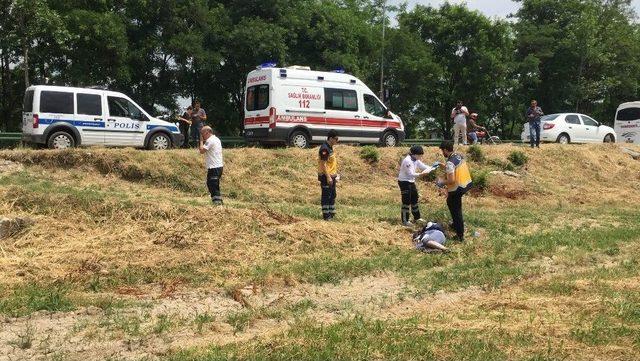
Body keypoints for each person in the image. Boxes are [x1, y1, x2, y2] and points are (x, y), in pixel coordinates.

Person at [437, 141, 472, 242]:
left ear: (445, 150)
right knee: (451, 203)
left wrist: (441, 182)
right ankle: (455, 224)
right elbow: (453, 168)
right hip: (465, 184)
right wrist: (441, 165)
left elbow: (451, 180)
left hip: (457, 188)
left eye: (442, 151)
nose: (442, 153)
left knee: (456, 211)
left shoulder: (450, 162)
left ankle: (459, 235)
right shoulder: (458, 156)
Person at [398, 145, 435, 228]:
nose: (420, 157)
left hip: (411, 181)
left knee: (414, 198)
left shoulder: (416, 160)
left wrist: (432, 168)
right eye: (419, 155)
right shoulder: (408, 161)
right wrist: (421, 174)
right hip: (404, 182)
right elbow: (410, 174)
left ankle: (417, 218)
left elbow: (423, 166)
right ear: (414, 154)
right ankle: (405, 220)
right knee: (406, 201)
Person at [199, 126, 224, 205]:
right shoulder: (216, 139)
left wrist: (201, 141)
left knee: (213, 185)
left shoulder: (210, 140)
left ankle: (217, 204)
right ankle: (217, 201)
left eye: (202, 133)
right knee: (211, 184)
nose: (202, 135)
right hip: (217, 166)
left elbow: (202, 151)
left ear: (207, 132)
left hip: (214, 167)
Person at [318, 130, 339, 220]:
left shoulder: (330, 147)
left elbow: (331, 163)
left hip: (332, 176)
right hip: (326, 176)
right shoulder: (324, 149)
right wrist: (328, 177)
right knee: (326, 195)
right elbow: (323, 164)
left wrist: (335, 175)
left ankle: (331, 213)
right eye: (336, 139)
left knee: (333, 194)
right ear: (330, 138)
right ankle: (326, 215)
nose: (337, 141)